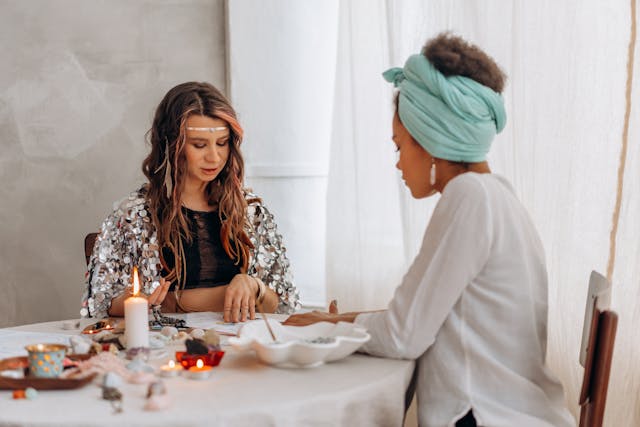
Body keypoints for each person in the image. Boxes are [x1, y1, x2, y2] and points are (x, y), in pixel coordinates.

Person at [285, 33, 574, 427]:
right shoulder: (497, 195)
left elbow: (403, 336)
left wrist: (331, 324)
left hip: (482, 416)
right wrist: (339, 319)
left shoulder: (469, 197)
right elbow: (421, 317)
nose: (398, 163)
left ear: (431, 138)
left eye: (399, 145)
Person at [82, 82, 300, 323]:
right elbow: (99, 304)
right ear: (171, 143)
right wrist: (217, 296)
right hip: (166, 343)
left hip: (243, 342)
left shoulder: (250, 212)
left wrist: (254, 286)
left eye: (222, 143)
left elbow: (284, 304)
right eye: (199, 145)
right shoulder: (135, 216)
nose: (214, 157)